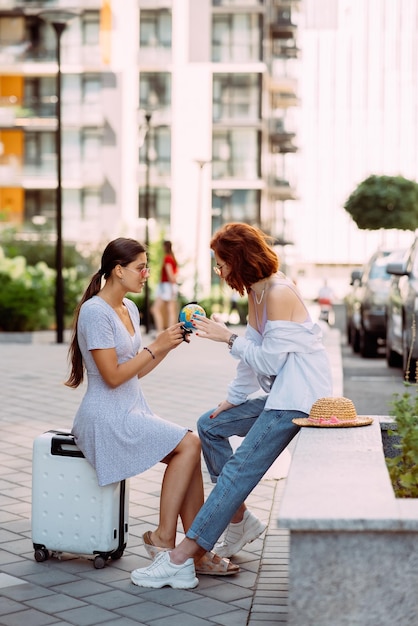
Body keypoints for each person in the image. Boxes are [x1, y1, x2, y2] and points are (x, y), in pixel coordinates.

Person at [130, 222, 333, 589]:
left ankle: (180, 559)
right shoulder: (258, 293)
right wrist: (231, 401)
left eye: (221, 262)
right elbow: (249, 361)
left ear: (239, 260)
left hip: (299, 399)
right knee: (209, 425)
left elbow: (268, 361)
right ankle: (239, 520)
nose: (217, 270)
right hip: (281, 393)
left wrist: (227, 336)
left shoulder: (278, 292)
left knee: (239, 471)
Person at [65, 237, 238, 583]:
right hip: (105, 417)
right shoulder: (94, 312)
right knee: (190, 444)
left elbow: (137, 369)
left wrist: (166, 346)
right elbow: (113, 377)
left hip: (130, 409)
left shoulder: (128, 308)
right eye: (140, 267)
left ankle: (194, 550)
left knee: (187, 450)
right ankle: (165, 539)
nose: (147, 274)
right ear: (118, 270)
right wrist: (155, 345)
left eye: (147, 266)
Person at [151, 240, 179, 335]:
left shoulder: (167, 258)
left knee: (155, 309)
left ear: (165, 247)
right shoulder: (173, 258)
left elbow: (170, 275)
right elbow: (175, 275)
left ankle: (160, 332)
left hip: (166, 286)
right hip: (171, 286)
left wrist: (171, 288)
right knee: (171, 310)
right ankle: (171, 333)